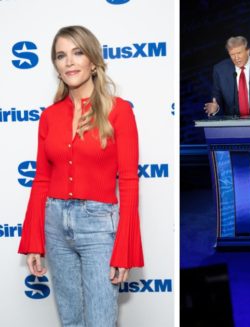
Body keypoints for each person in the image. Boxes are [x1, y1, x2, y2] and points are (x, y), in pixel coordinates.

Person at [18, 25, 143, 326]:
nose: (69, 62)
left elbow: (128, 181)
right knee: (71, 320)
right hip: (55, 224)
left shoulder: (119, 111)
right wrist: (34, 239)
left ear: (92, 60)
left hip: (100, 226)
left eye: (77, 53)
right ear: (56, 66)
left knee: (101, 321)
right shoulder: (50, 116)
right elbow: (41, 180)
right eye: (61, 56)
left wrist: (124, 249)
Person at [204, 36, 250, 116]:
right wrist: (216, 107)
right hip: (233, 122)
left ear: (248, 51)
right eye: (232, 54)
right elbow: (216, 95)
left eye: (239, 53)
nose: (236, 58)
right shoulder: (219, 70)